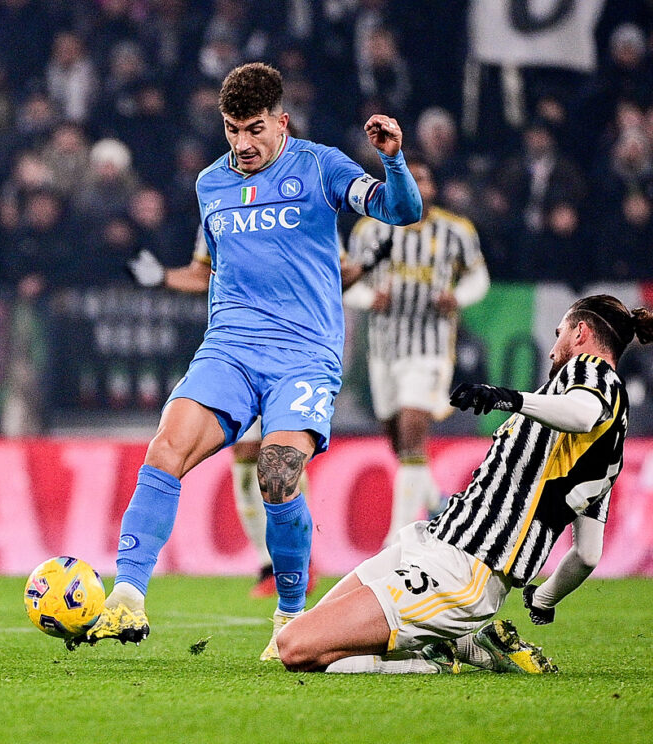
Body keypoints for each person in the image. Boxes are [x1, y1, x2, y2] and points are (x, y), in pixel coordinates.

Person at [76, 61, 422, 657]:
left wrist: (392, 160)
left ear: (280, 122)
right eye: (232, 130)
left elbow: (400, 211)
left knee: (278, 474)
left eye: (254, 129)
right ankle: (127, 598)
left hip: (305, 355)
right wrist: (162, 277)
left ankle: (291, 617)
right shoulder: (211, 184)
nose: (243, 144)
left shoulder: (320, 165)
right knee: (165, 450)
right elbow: (211, 269)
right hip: (230, 349)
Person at [274, 294, 653, 674]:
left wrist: (509, 398)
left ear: (581, 333)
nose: (554, 349)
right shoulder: (604, 452)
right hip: (432, 544)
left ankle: (430, 657)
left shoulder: (590, 374)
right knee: (288, 644)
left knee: (296, 649)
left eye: (559, 334)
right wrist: (544, 598)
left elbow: (584, 412)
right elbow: (587, 554)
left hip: (461, 571)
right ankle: (458, 641)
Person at [127, 229, 319, 599]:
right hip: (237, 353)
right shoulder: (217, 204)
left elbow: (333, 270)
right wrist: (163, 277)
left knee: (280, 456)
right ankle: (269, 564)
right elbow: (202, 274)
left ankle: (300, 563)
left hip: (290, 353)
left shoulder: (301, 199)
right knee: (247, 455)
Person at [342, 158, 489, 546]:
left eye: (420, 179)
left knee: (411, 431)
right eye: (403, 179)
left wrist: (455, 296)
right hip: (384, 350)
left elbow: (478, 276)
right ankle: (435, 502)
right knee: (397, 439)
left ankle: (399, 539)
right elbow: (346, 282)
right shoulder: (369, 229)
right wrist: (369, 297)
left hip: (430, 348)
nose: (413, 185)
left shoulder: (455, 231)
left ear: (431, 187)